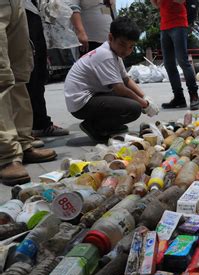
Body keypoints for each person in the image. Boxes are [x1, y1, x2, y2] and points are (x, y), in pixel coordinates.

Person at [64, 17, 159, 143]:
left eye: (131, 47)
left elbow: (126, 79)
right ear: (110, 38)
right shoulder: (106, 55)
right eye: (122, 44)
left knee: (133, 99)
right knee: (134, 108)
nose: (126, 51)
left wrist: (145, 96)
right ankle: (94, 127)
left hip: (91, 96)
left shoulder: (114, 53)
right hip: (81, 103)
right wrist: (144, 104)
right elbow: (120, 89)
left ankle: (109, 125)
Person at [0, 1, 57, 186]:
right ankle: (7, 155)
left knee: (20, 75)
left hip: (19, 4)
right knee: (1, 76)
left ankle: (23, 143)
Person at [25, 0, 70, 138]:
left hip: (33, 11)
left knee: (39, 73)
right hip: (20, 12)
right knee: (27, 75)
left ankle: (40, 123)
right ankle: (25, 130)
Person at [150, 0, 199, 111]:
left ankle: (194, 96)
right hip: (164, 26)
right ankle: (179, 98)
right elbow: (157, 5)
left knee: (183, 61)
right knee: (169, 64)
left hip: (179, 24)